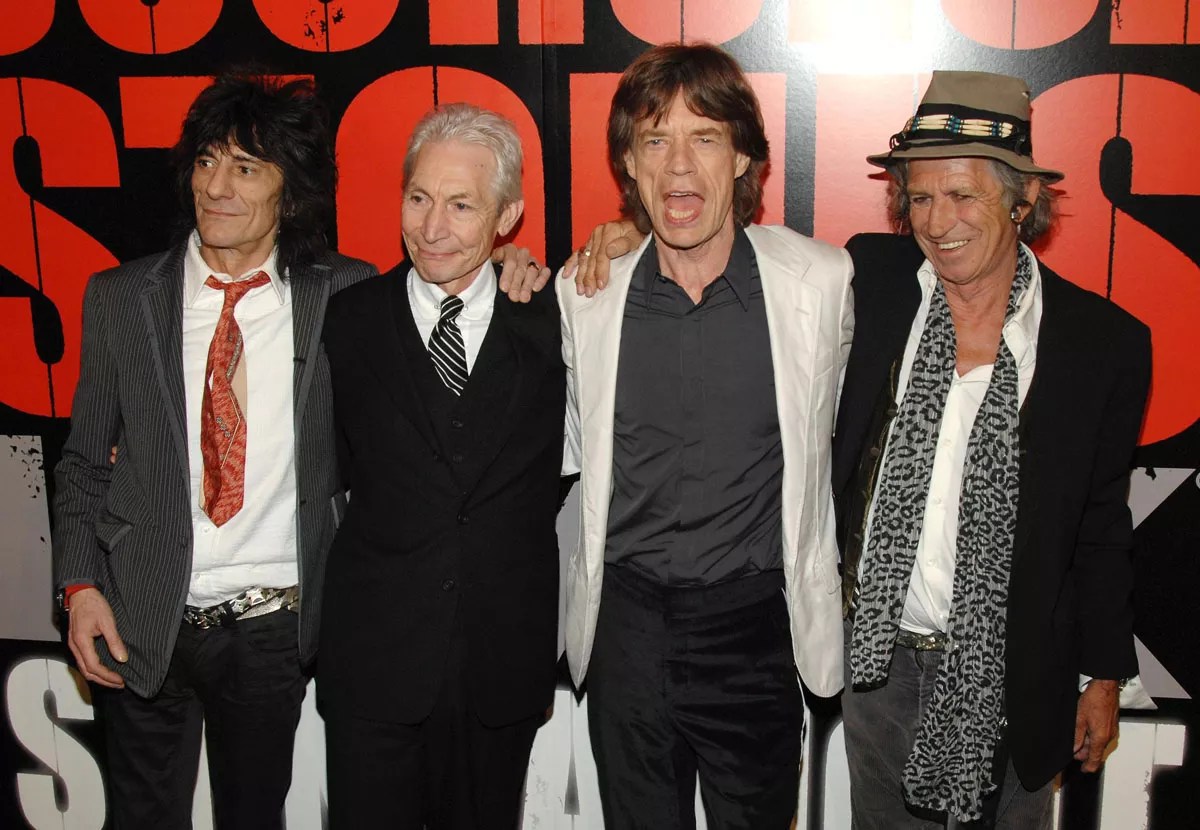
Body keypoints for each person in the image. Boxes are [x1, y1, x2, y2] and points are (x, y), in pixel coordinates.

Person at [51, 74, 377, 829]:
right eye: (206, 162)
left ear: (290, 193)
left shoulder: (344, 295)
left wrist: (518, 269)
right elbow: (82, 464)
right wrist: (79, 586)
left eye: (245, 167)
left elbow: (449, 301)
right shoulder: (122, 298)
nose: (216, 187)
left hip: (271, 624)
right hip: (138, 613)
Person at [832, 71, 1150, 827]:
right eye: (919, 198)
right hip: (876, 665)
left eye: (962, 195)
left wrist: (1103, 674)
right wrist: (625, 240)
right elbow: (744, 263)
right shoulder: (870, 281)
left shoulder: (1101, 344)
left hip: (1016, 668)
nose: (937, 221)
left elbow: (1101, 523)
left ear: (1022, 198)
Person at [557, 42, 853, 828]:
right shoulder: (583, 295)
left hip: (755, 628)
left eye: (705, 138)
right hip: (625, 628)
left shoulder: (821, 284)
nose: (679, 165)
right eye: (655, 140)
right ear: (629, 164)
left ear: (744, 156)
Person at [317, 103, 569, 829]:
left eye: (462, 205)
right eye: (419, 198)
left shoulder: (557, 320)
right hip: (373, 662)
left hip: (501, 664)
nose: (432, 228)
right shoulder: (347, 320)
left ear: (508, 215)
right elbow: (324, 470)